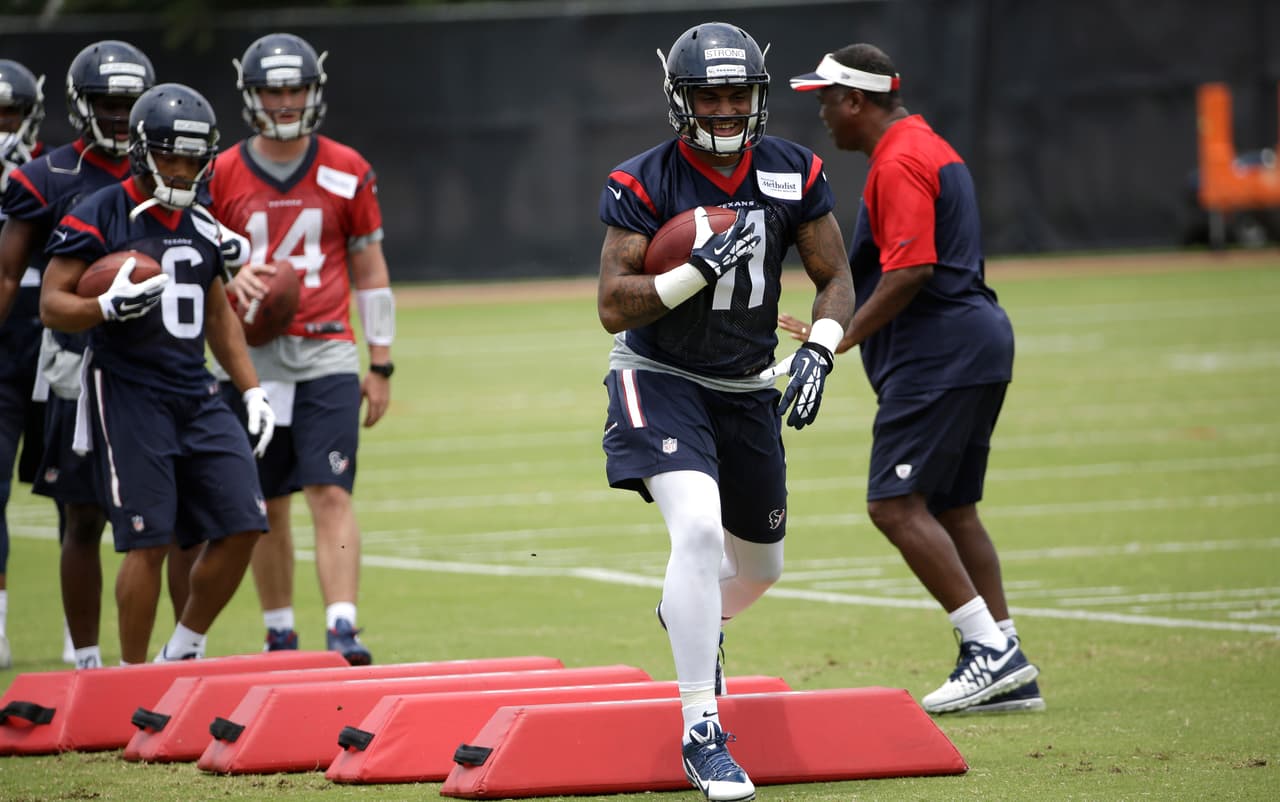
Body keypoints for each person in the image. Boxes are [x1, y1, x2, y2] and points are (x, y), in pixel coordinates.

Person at [597, 22, 854, 802]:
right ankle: (702, 728)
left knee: (761, 566)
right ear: (681, 99)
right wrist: (688, 276)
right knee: (700, 531)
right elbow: (613, 304)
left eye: (737, 93)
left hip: (745, 385)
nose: (724, 108)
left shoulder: (792, 170)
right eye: (709, 95)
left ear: (759, 95)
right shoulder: (644, 182)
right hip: (659, 372)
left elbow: (835, 276)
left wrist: (823, 346)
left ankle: (690, 616)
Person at [787, 44, 1042, 714]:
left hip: (942, 355)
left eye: (826, 100)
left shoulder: (899, 159)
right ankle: (1007, 659)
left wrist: (833, 339)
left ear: (855, 101)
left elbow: (910, 270)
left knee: (894, 506)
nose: (821, 114)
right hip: (974, 343)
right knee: (952, 509)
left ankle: (991, 653)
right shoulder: (925, 144)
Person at [38, 82, 276, 665]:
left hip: (195, 390)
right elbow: (51, 303)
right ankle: (132, 675)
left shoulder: (202, 218)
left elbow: (218, 311)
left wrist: (251, 390)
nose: (182, 166)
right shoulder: (100, 210)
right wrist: (103, 307)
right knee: (147, 540)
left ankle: (184, 650)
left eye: (194, 156)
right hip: (128, 391)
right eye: (170, 153)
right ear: (143, 151)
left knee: (245, 520)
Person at [0, 41, 197, 670]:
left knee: (175, 522)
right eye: (107, 103)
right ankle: (84, 655)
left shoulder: (169, 168)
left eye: (128, 103)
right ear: (81, 106)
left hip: (160, 369)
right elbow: (9, 276)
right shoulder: (48, 176)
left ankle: (179, 656)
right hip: (76, 370)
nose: (118, 116)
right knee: (80, 517)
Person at [208, 32, 394, 666]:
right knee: (266, 502)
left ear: (313, 91)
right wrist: (231, 276)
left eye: (295, 88)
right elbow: (201, 265)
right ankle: (279, 630)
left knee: (332, 491)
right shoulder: (223, 170)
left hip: (325, 354)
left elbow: (370, 270)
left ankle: (342, 625)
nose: (285, 101)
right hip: (250, 358)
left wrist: (381, 361)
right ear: (251, 93)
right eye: (272, 89)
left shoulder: (347, 166)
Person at [0, 58, 46, 670]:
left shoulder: (57, 172)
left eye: (8, 114)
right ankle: (3, 626)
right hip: (2, 354)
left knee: (78, 498)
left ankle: (77, 635)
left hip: (58, 348)